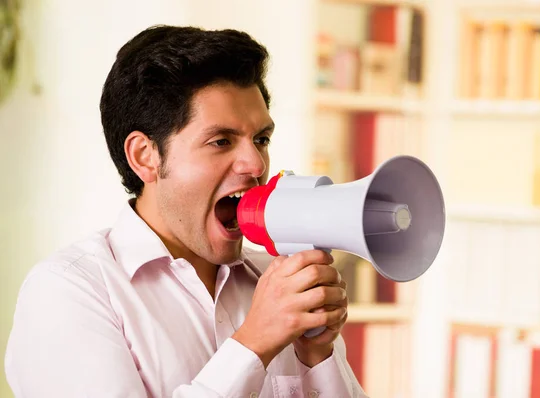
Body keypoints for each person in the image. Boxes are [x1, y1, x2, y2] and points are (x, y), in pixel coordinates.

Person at [4, 25, 368, 397]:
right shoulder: (69, 292)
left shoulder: (273, 282)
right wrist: (254, 343)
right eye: (221, 141)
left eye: (261, 140)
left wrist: (317, 357)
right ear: (145, 157)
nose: (256, 164)